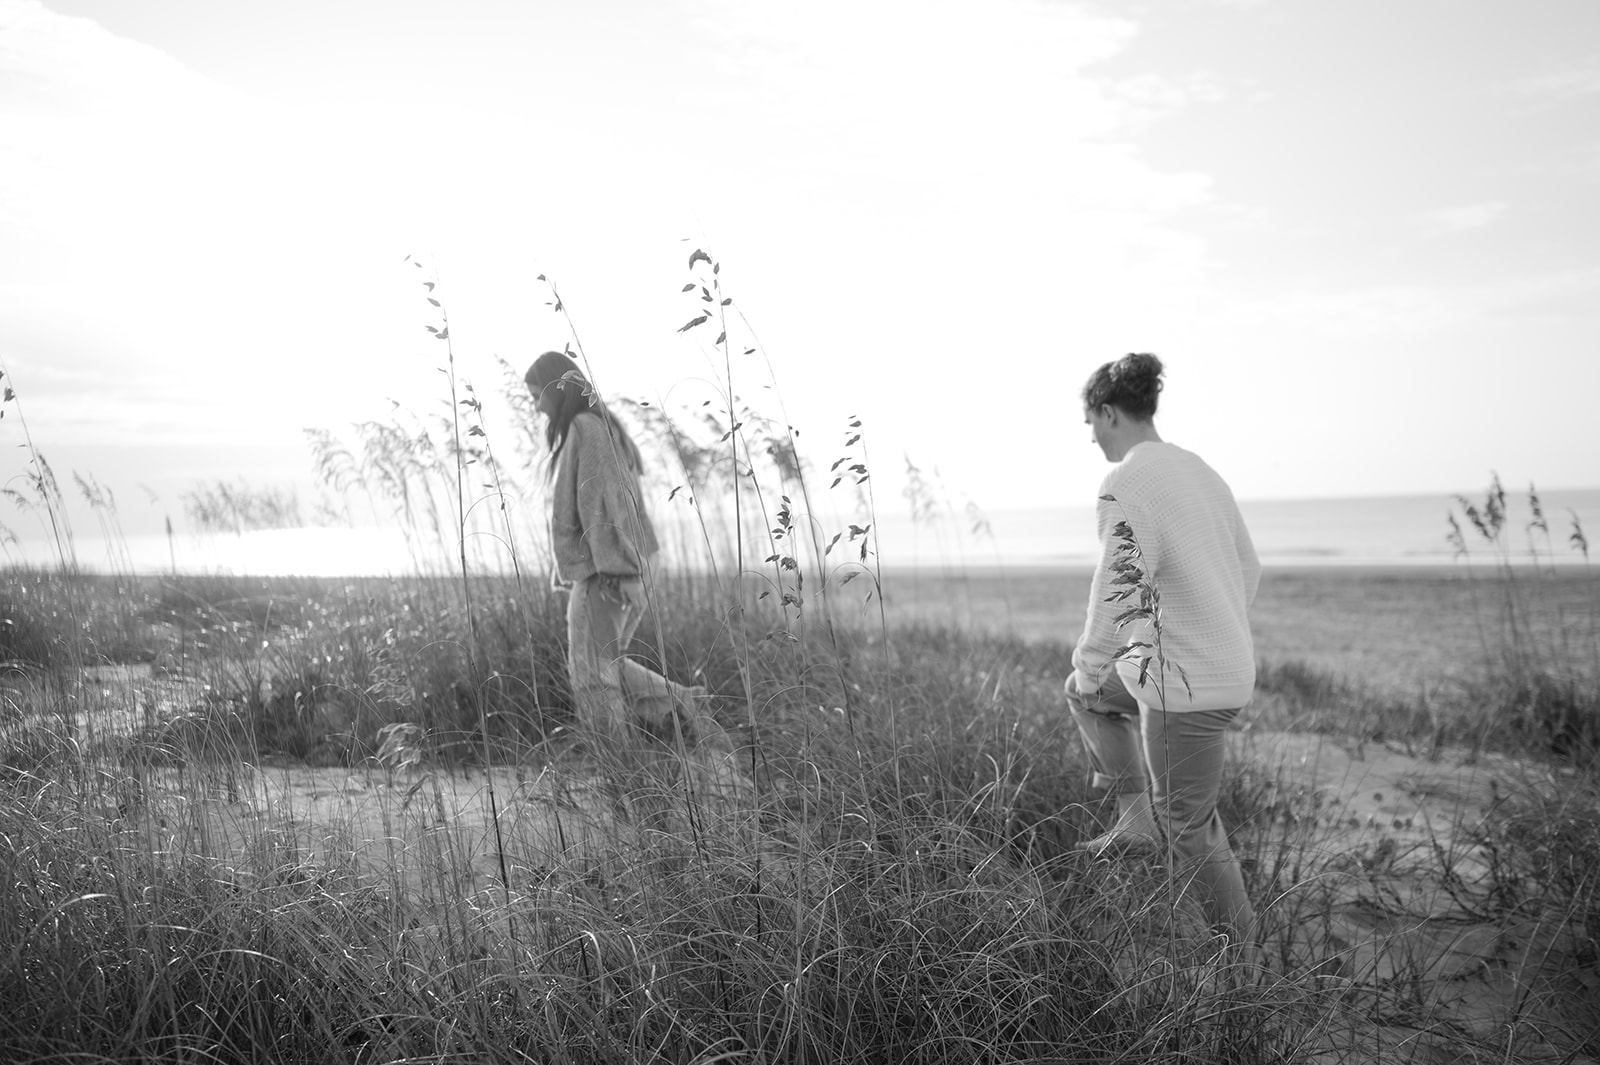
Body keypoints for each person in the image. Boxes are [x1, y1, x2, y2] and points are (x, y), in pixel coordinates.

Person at [1065, 352, 1260, 946]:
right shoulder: (1201, 471)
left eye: (1090, 422)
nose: (1091, 435)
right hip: (1208, 668)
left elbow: (1117, 588)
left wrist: (1090, 658)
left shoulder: (1126, 480)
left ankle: (1242, 956)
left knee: (1190, 827)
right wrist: (1215, 626)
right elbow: (1248, 567)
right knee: (1088, 697)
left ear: (1107, 412)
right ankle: (1133, 817)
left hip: (1185, 686)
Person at [524, 351, 739, 787]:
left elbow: (605, 504)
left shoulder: (586, 429)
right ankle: (686, 706)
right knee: (607, 667)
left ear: (555, 389)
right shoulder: (601, 428)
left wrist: (617, 568)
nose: (534, 407)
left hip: (606, 575)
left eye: (536, 397)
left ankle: (622, 773)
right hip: (618, 571)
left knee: (592, 679)